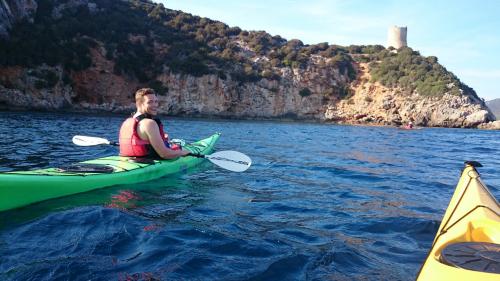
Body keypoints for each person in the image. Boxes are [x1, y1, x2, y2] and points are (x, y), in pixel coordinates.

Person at [118, 88, 190, 159]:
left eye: (156, 101)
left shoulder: (127, 121)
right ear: (139, 104)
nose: (155, 105)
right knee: (177, 148)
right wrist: (182, 152)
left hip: (129, 159)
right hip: (147, 162)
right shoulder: (149, 123)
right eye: (150, 102)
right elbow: (165, 154)